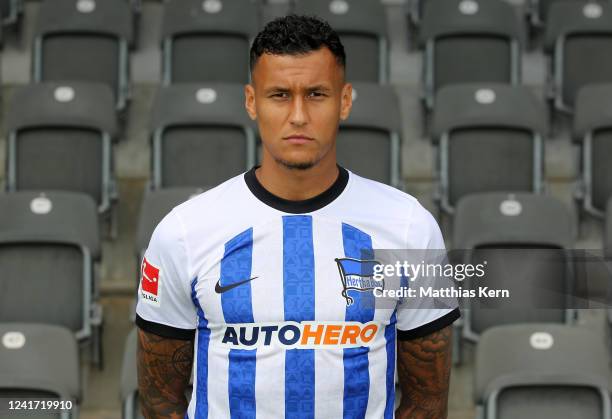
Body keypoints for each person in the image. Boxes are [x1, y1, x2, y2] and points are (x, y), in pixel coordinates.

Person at [136, 14, 460, 419]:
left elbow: (428, 402)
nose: (299, 116)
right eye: (279, 95)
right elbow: (157, 402)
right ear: (252, 102)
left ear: (345, 101)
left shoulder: (410, 226)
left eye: (317, 94)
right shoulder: (184, 231)